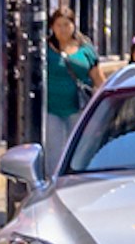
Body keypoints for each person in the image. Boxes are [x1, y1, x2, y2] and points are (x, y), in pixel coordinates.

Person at [41, 9, 97, 175]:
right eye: (58, 25)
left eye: (67, 24)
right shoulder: (45, 49)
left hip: (79, 108)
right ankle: (56, 183)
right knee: (55, 152)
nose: (63, 29)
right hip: (52, 109)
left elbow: (98, 78)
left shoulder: (85, 49)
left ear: (74, 25)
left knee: (79, 150)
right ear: (52, 27)